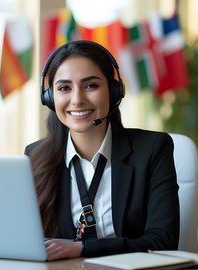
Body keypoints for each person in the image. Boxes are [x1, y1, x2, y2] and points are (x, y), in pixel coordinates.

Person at [24, 40, 179, 261]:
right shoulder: (34, 156)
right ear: (49, 98)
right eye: (64, 88)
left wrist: (83, 248)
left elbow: (163, 241)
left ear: (114, 92)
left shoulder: (153, 149)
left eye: (91, 86)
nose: (77, 100)